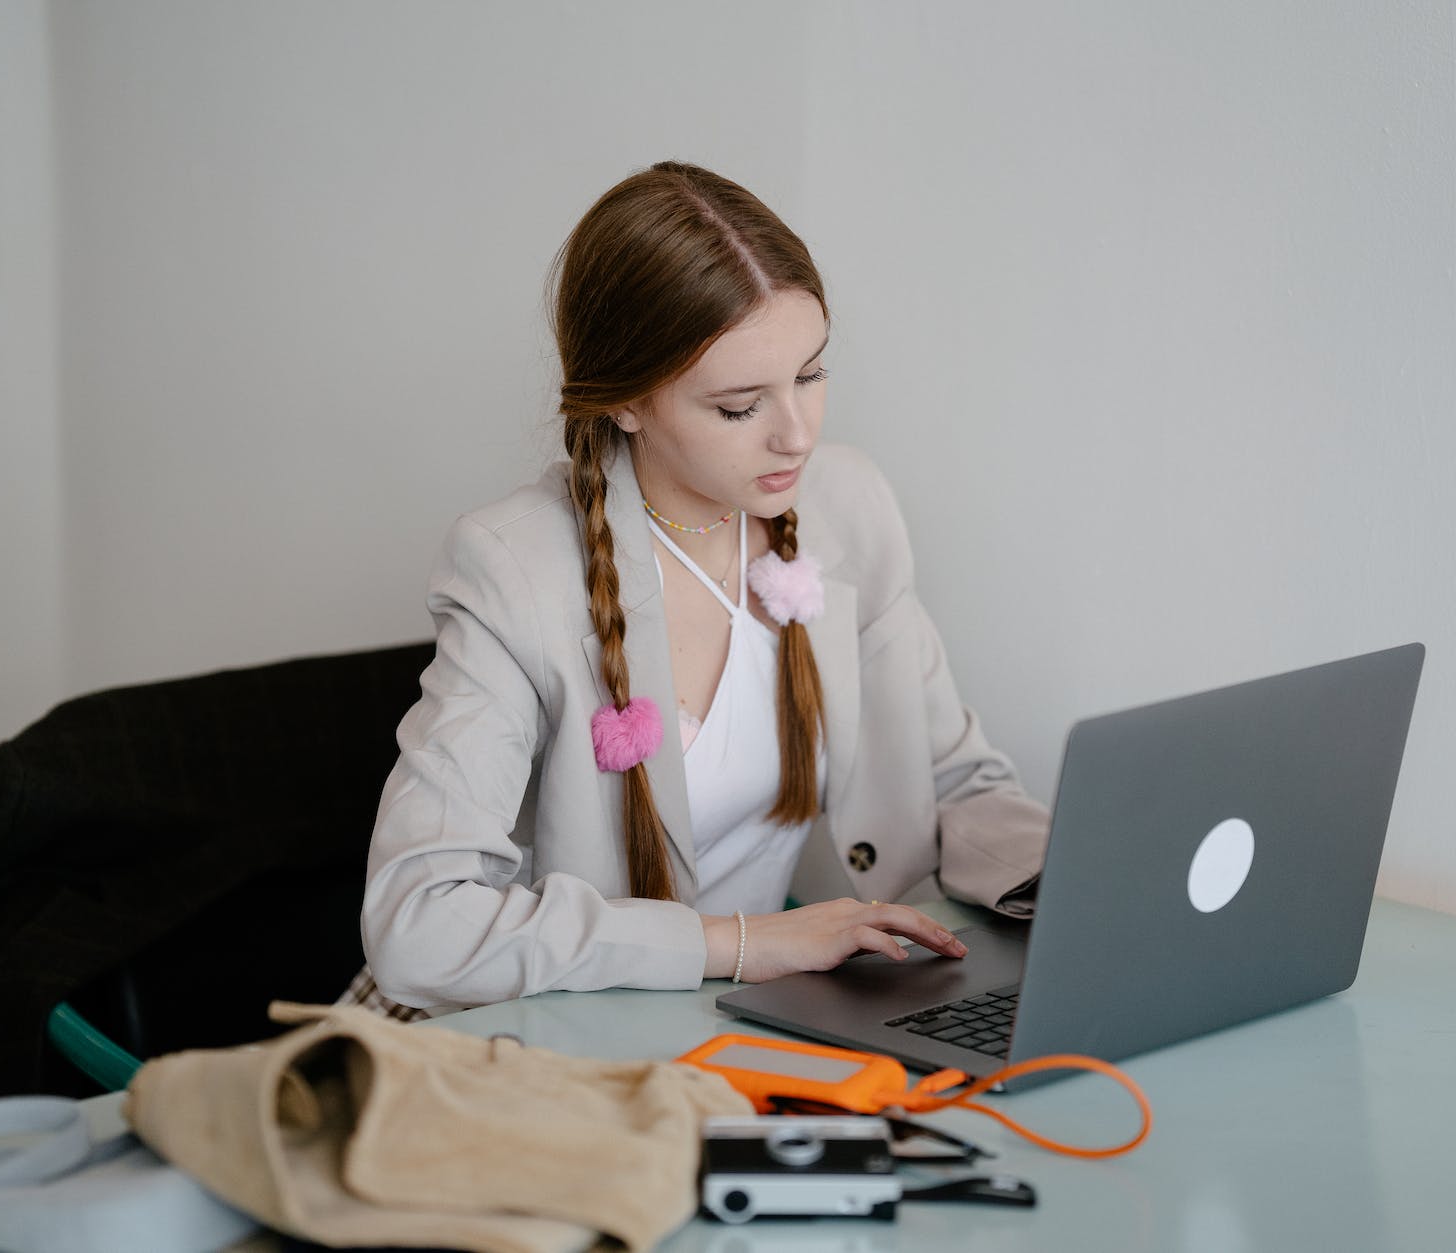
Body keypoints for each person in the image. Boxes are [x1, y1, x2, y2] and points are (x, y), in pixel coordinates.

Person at [350, 161, 1048, 1016]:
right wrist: (744, 945)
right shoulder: (514, 567)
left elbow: (956, 782)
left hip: (706, 1026)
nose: (797, 434)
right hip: (500, 1041)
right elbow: (418, 922)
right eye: (738, 405)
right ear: (629, 402)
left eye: (812, 374)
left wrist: (1082, 883)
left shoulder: (847, 508)